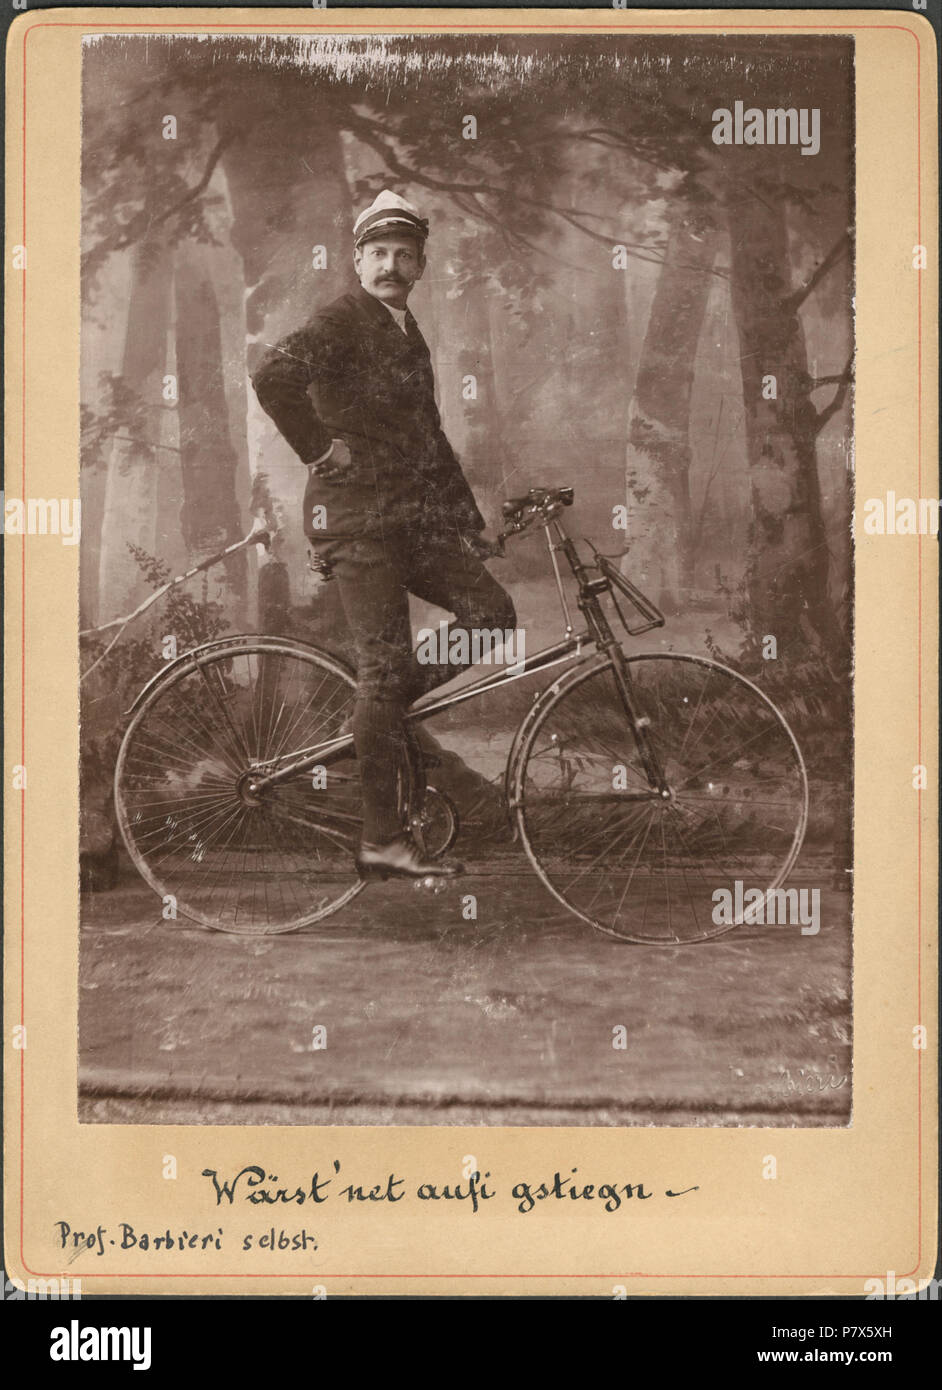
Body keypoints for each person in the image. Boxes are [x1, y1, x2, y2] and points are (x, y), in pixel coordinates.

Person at [252, 191, 516, 880]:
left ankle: (379, 715)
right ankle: (382, 841)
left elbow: (428, 437)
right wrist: (316, 450)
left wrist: (466, 524)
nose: (390, 265)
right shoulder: (341, 320)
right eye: (378, 254)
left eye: (403, 255)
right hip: (355, 523)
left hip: (407, 520)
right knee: (384, 670)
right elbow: (272, 375)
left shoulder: (406, 331)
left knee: (491, 614)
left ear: (421, 265)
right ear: (357, 259)